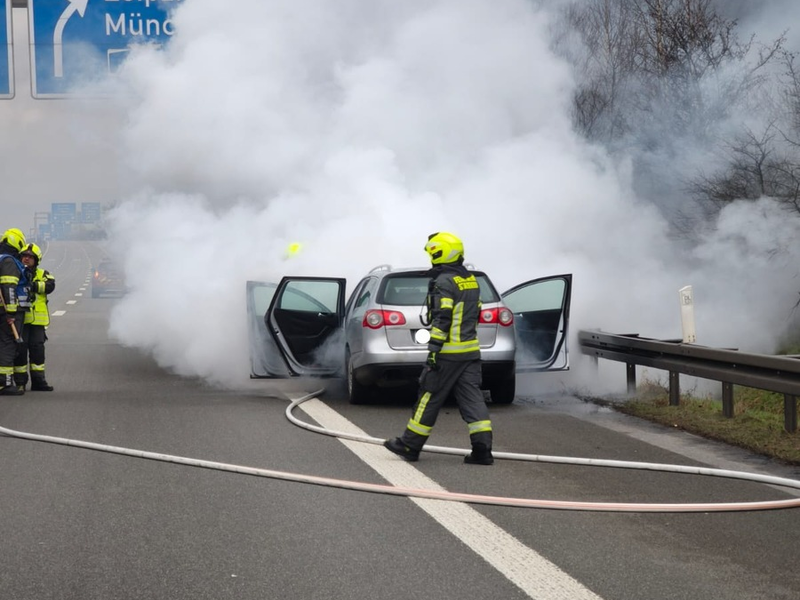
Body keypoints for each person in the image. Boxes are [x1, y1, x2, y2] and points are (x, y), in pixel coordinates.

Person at [384, 232, 494, 465]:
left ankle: (409, 445)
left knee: (428, 397)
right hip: (471, 352)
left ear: (440, 253)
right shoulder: (471, 280)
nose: (431, 259)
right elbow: (476, 313)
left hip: (447, 354)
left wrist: (433, 350)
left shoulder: (444, 281)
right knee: (473, 400)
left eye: (433, 254)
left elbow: (443, 317)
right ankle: (482, 451)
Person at [14, 243, 55, 392]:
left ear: (36, 260)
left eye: (30, 257)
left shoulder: (43, 273)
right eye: (24, 256)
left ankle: (39, 382)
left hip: (37, 322)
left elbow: (50, 286)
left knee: (38, 350)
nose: (26, 259)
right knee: (20, 351)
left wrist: (32, 285)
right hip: (21, 320)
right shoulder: (15, 272)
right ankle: (20, 383)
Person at [0, 228, 29, 396]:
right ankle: (5, 383)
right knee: (8, 344)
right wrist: (10, 313)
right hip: (7, 313)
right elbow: (9, 288)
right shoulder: (9, 261)